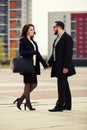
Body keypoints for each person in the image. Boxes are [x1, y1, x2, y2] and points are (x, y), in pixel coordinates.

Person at [14, 24, 47, 110]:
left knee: (34, 84)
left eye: (33, 29)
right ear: (27, 31)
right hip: (27, 65)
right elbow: (21, 53)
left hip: (33, 66)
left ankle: (21, 99)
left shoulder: (34, 42)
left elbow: (38, 54)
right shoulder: (23, 40)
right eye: (31, 29)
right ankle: (28, 103)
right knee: (28, 84)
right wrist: (31, 52)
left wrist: (44, 64)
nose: (33, 31)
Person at [48, 21, 76, 112]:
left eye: (54, 27)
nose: (53, 28)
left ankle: (59, 106)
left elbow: (68, 54)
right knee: (65, 85)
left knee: (61, 86)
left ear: (59, 27)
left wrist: (66, 67)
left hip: (63, 67)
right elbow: (55, 54)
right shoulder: (57, 38)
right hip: (57, 66)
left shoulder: (67, 38)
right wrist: (49, 63)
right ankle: (68, 105)